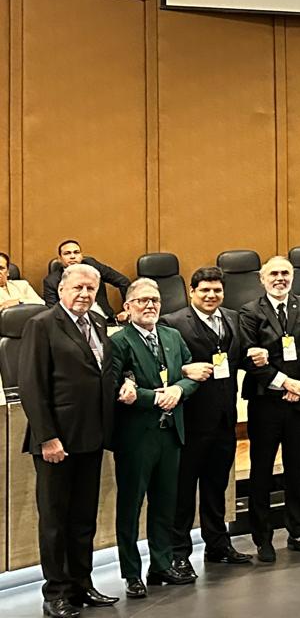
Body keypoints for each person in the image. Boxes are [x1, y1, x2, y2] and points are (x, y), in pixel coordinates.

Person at [19, 263, 127, 618]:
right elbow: (32, 387)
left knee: (84, 518)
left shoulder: (98, 323)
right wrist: (47, 437)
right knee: (54, 521)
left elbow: (101, 372)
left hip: (92, 436)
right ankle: (55, 594)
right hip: (57, 442)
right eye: (78, 287)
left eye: (90, 290)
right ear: (62, 289)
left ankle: (81, 584)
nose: (84, 294)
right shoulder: (41, 324)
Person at [108, 279, 199, 599]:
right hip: (137, 437)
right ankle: (131, 573)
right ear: (128, 307)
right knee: (130, 506)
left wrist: (178, 390)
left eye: (155, 301)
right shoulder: (119, 342)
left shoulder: (172, 336)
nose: (150, 306)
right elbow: (118, 389)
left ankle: (160, 564)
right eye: (142, 300)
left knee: (165, 504)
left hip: (171, 433)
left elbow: (191, 376)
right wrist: (153, 397)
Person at [160, 267, 252, 575]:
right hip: (190, 421)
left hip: (226, 418)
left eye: (217, 290)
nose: (211, 296)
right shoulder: (172, 323)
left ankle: (218, 545)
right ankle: (179, 553)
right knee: (183, 491)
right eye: (205, 291)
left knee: (217, 487)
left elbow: (238, 358)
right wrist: (184, 371)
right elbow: (161, 367)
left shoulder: (233, 318)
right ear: (192, 292)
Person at [238, 255, 300, 560]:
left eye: (285, 273)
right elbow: (250, 359)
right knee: (261, 471)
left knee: (296, 469)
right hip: (266, 402)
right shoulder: (250, 311)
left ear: (293, 277)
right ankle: (262, 539)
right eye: (273, 273)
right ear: (262, 279)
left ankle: (298, 532)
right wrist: (285, 383)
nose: (280, 278)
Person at [41, 239, 131, 321]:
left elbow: (123, 282)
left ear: (81, 256)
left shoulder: (93, 266)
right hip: (73, 324)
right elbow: (52, 311)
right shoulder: (51, 281)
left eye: (76, 252)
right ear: (59, 259)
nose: (72, 256)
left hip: (106, 321)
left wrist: (129, 310)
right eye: (67, 253)